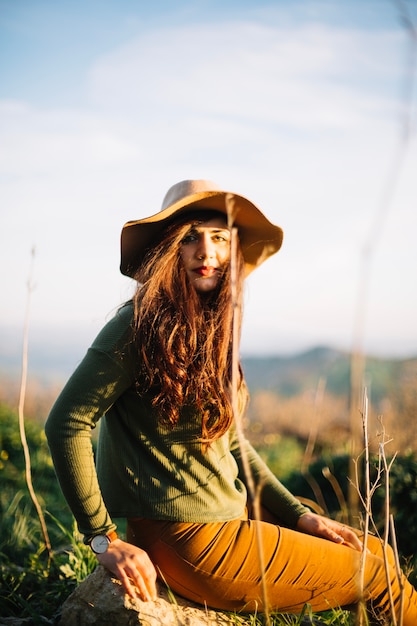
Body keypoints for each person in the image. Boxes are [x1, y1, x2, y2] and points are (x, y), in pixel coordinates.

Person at [45, 179, 417, 624]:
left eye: (219, 238)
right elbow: (66, 422)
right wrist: (102, 539)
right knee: (377, 578)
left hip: (229, 523)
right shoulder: (137, 326)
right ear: (169, 248)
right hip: (190, 541)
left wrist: (300, 517)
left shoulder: (211, 329)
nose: (206, 252)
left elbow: (233, 445)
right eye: (190, 238)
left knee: (374, 550)